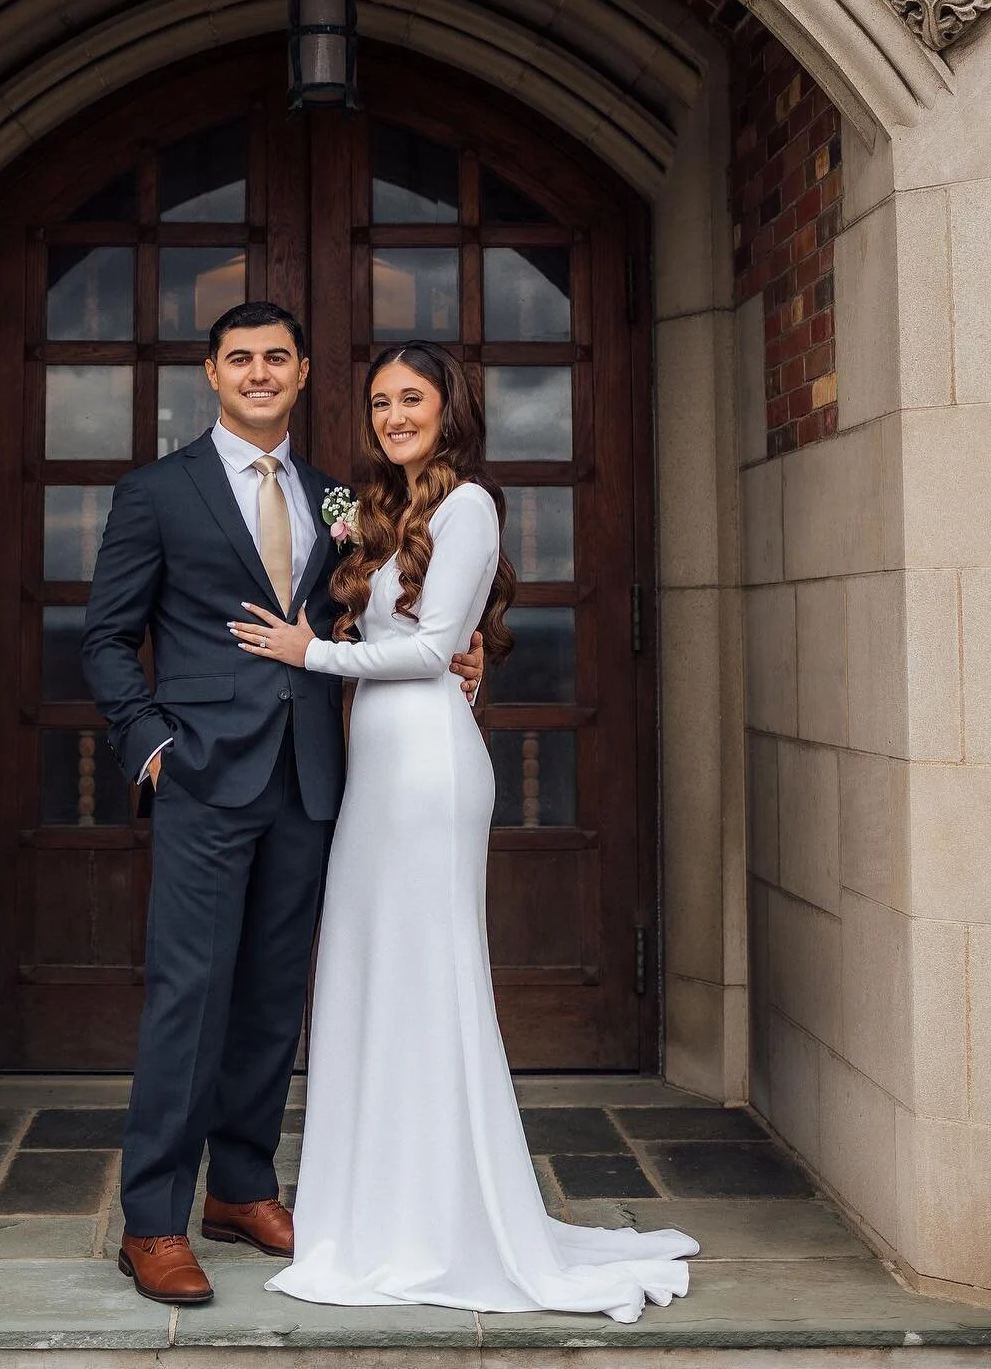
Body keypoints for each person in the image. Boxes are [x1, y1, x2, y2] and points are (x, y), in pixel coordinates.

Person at [231, 340, 699, 1324]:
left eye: (413, 398)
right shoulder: (361, 505)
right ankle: (375, 1203)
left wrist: (306, 649)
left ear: (450, 408)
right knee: (372, 973)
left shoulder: (470, 503)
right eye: (378, 401)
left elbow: (434, 648)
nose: (395, 414)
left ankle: (447, 1216)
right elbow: (295, 525)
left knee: (430, 975)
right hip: (376, 767)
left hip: (432, 766)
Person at [81, 304, 484, 1307]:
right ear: (212, 373)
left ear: (303, 372)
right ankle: (154, 1218)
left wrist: (468, 649)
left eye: (277, 358)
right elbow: (103, 636)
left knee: (271, 995)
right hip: (206, 777)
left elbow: (405, 603)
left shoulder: (344, 497)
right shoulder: (156, 490)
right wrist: (153, 746)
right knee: (190, 997)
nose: (259, 373)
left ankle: (244, 1185)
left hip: (313, 777)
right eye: (240, 359)